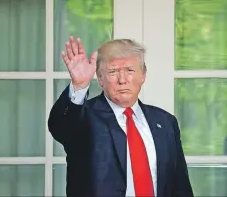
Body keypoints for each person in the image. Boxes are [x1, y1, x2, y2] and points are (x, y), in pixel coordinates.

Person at [48, 36, 194, 197]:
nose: (122, 80)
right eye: (113, 71)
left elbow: (180, 184)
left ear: (143, 75)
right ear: (101, 78)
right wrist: (79, 86)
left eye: (130, 70)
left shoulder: (165, 122)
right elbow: (60, 127)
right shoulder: (84, 116)